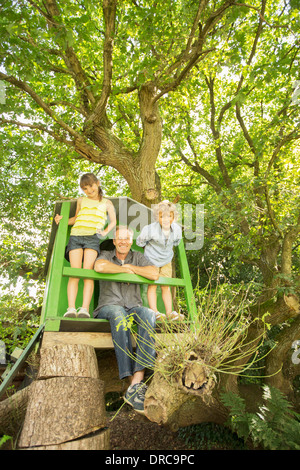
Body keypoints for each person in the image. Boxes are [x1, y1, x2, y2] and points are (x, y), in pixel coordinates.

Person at [93, 225, 159, 414]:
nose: (123, 241)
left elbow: (154, 273)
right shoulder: (105, 254)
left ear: (131, 241)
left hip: (134, 307)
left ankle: (136, 383)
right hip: (109, 306)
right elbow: (99, 266)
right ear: (114, 241)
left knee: (148, 314)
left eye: (127, 239)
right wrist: (123, 269)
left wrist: (130, 267)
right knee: (118, 315)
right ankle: (130, 380)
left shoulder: (138, 257)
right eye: (119, 238)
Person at [54, 173, 116, 318]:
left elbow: (113, 221)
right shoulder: (81, 200)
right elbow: (76, 218)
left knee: (88, 273)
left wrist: (105, 232)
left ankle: (84, 309)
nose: (89, 190)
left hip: (93, 238)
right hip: (76, 236)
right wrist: (62, 220)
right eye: (85, 188)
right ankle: (71, 308)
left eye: (91, 186)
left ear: (98, 183)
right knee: (74, 273)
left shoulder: (107, 203)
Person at [136, 200, 184, 321]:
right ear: (157, 217)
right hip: (152, 259)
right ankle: (154, 311)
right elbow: (140, 242)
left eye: (169, 216)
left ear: (174, 217)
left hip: (166, 259)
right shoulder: (150, 229)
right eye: (162, 216)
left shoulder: (177, 229)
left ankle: (169, 312)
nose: (166, 219)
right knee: (152, 285)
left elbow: (177, 242)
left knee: (165, 285)